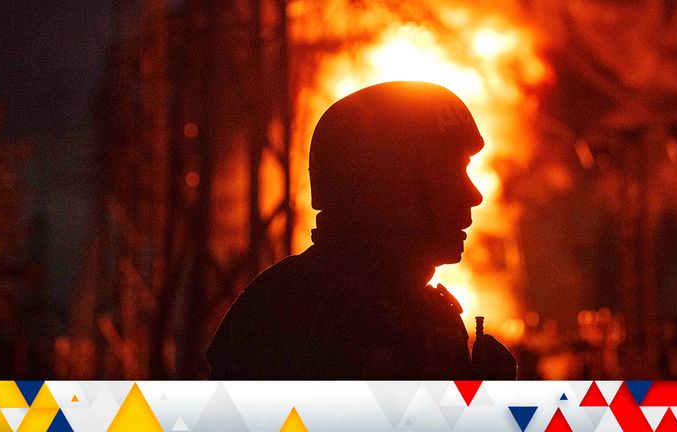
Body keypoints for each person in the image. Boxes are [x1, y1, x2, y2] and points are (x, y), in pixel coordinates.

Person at [207, 81, 516, 379]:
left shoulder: (433, 318)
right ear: (389, 184)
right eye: (450, 171)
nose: (474, 195)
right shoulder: (286, 314)